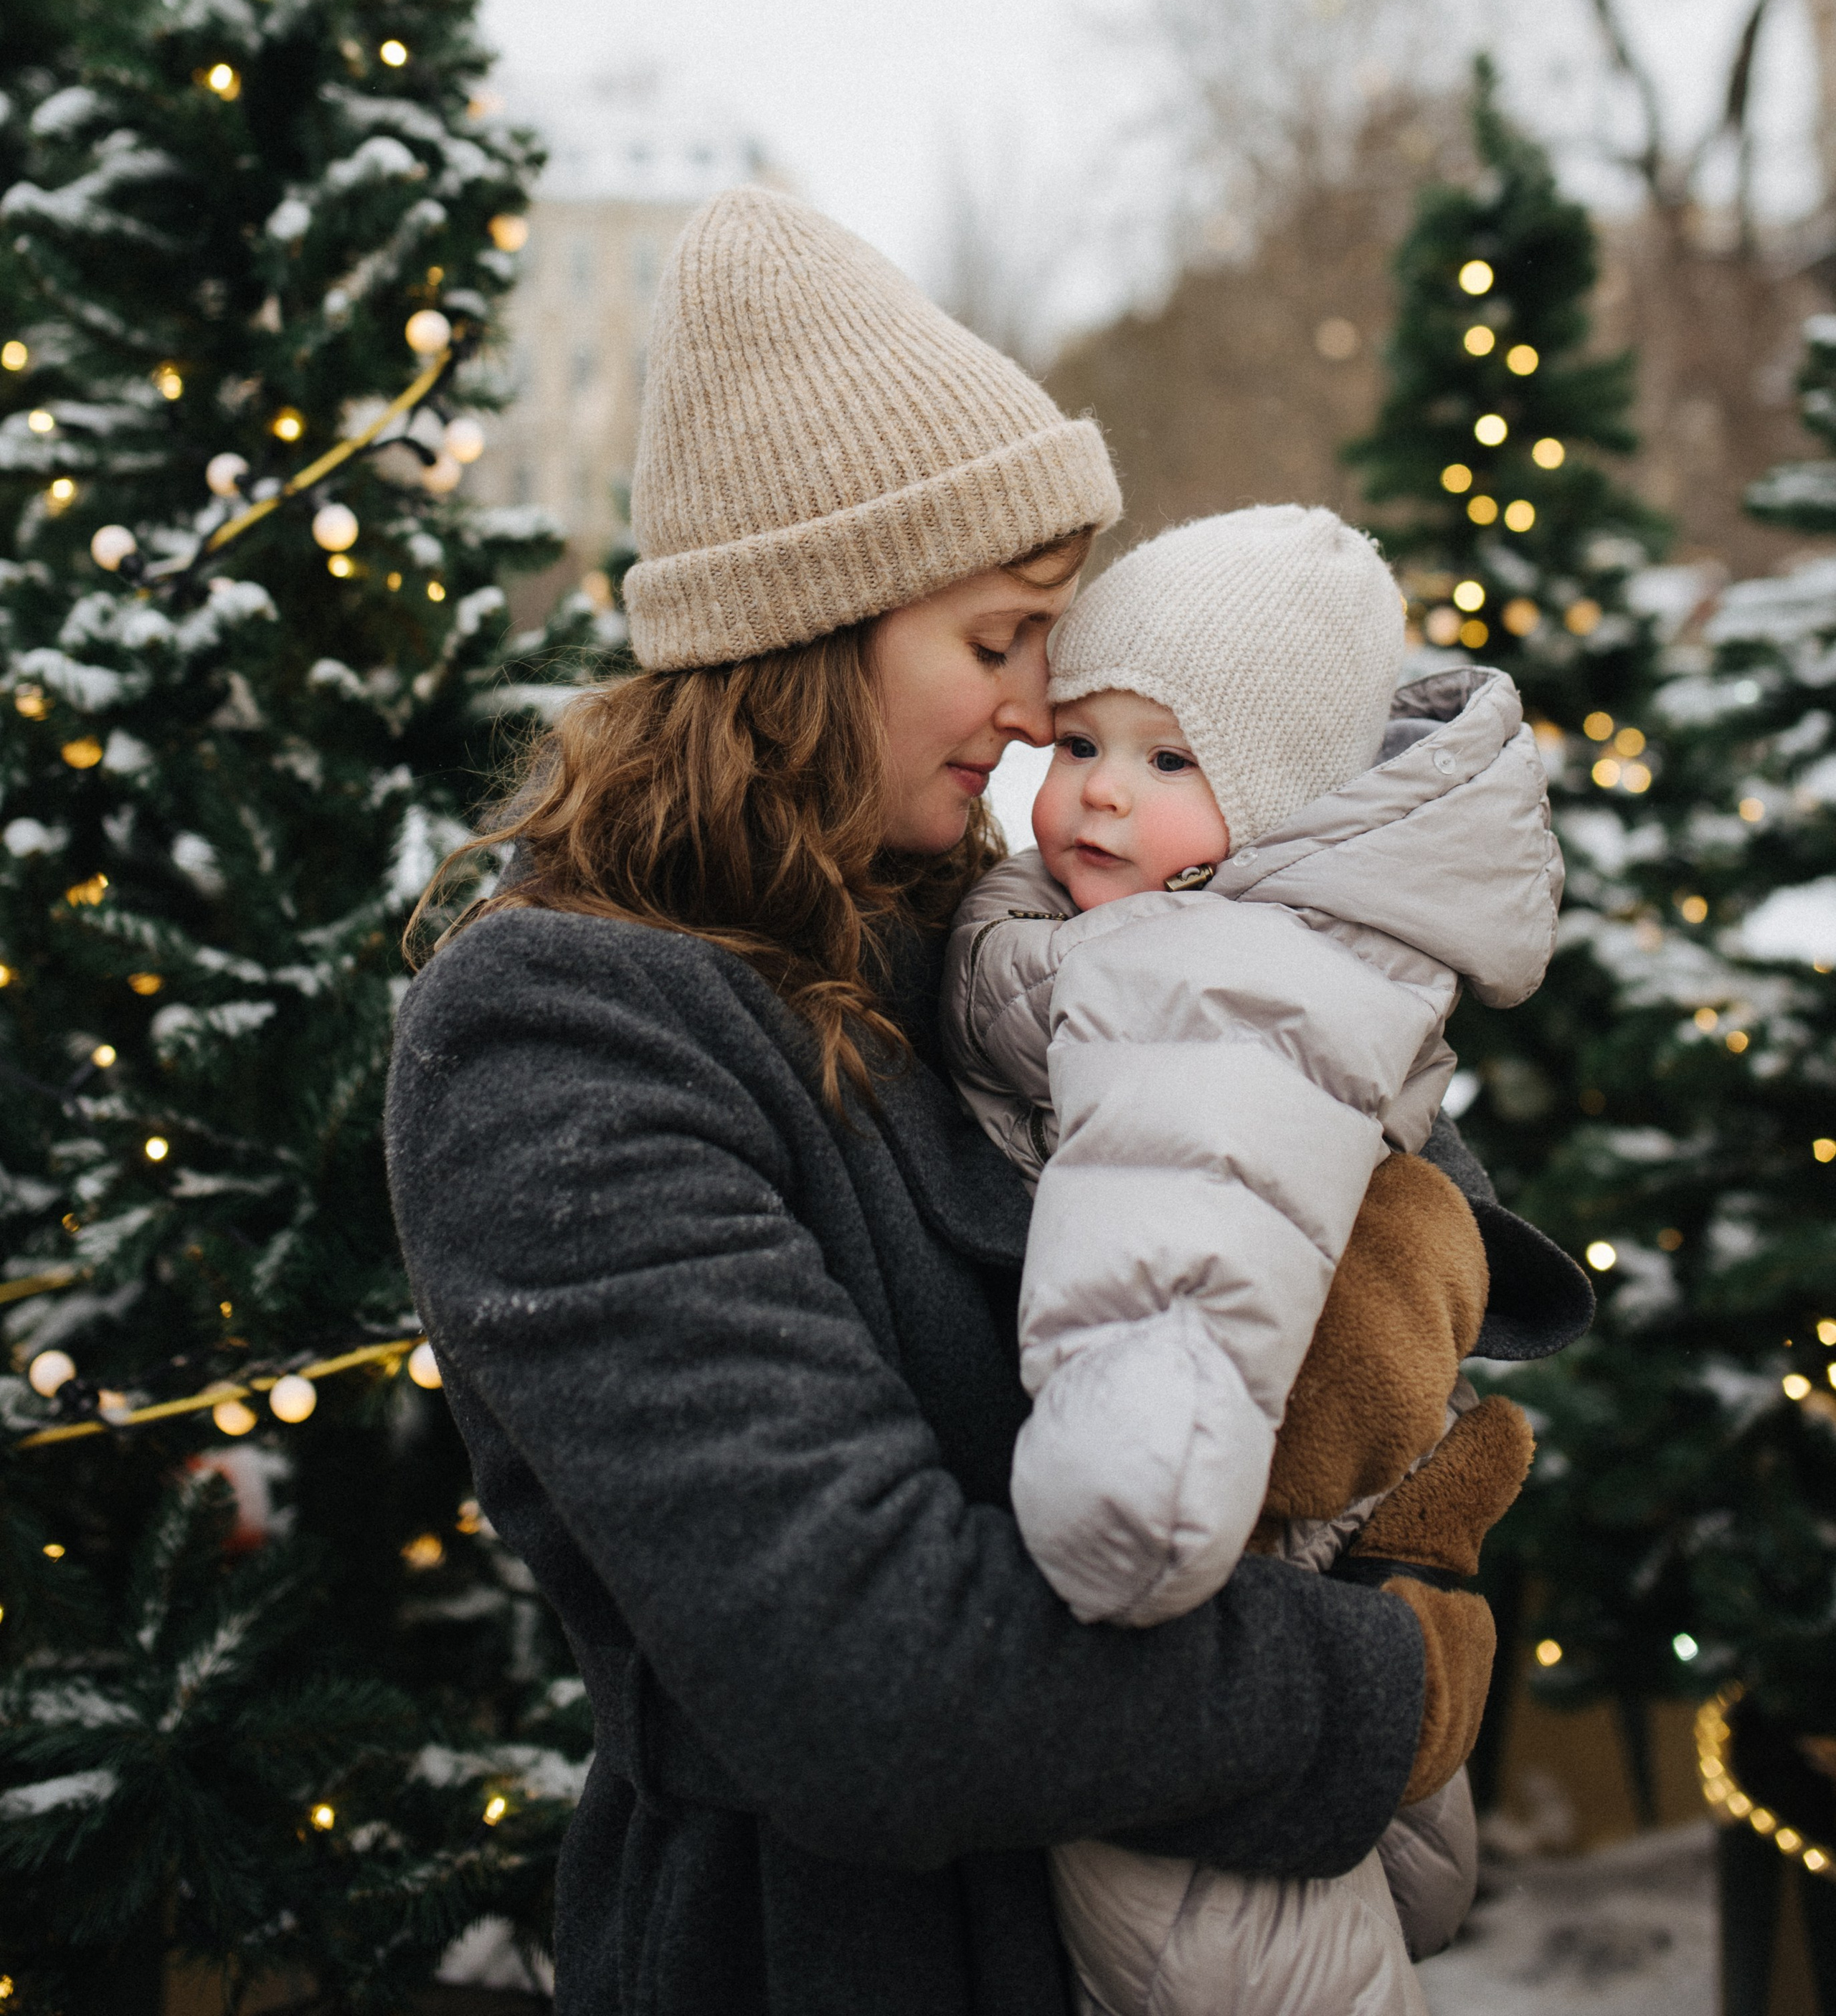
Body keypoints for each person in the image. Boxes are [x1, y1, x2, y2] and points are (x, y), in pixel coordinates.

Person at [386, 189, 1576, 2016]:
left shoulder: (984, 931)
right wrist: (1381, 1687)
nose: (1037, 716)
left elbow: (1347, 1226)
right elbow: (867, 1678)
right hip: (835, 1963)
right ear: (814, 629)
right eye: (1000, 638)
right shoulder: (561, 1031)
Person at [941, 506, 1591, 2015]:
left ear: (1286, 811)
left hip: (1194, 1563)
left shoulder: (1216, 978)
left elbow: (1185, 1224)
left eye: (1171, 760)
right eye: (1082, 742)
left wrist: (1136, 1489)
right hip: (1271, 1597)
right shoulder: (1152, 933)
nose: (1103, 791)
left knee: (1213, 1955)